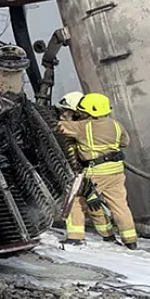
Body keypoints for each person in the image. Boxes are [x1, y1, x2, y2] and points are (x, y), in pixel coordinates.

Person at [56, 92, 138, 250]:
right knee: (120, 205)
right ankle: (130, 240)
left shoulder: (83, 127)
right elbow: (124, 142)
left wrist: (66, 116)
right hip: (116, 172)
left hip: (96, 172)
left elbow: (59, 127)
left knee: (76, 199)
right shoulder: (116, 125)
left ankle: (75, 237)